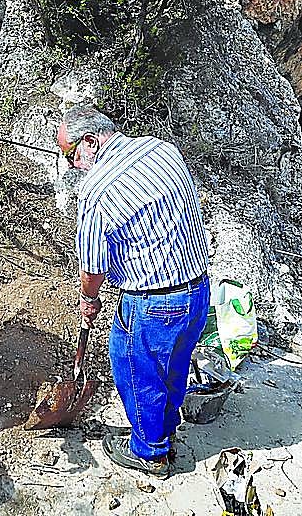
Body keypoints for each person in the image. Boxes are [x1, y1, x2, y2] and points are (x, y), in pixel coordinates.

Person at [57, 105, 211, 478]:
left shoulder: (96, 190)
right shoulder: (161, 149)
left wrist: (88, 299)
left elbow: (93, 269)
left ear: (91, 142)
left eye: (70, 154)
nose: (72, 165)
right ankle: (165, 431)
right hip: (197, 292)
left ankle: (149, 451)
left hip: (155, 302)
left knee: (136, 369)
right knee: (173, 366)